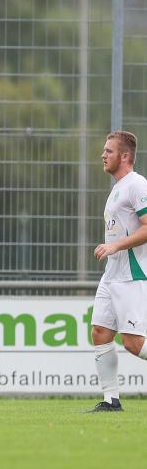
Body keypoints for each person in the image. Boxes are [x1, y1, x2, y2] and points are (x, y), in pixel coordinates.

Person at [90, 130, 147, 412]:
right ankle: (111, 401)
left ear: (125, 156)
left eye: (109, 151)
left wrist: (115, 247)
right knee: (100, 332)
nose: (103, 155)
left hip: (131, 275)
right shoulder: (117, 187)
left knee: (134, 344)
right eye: (104, 150)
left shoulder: (137, 185)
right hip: (111, 275)